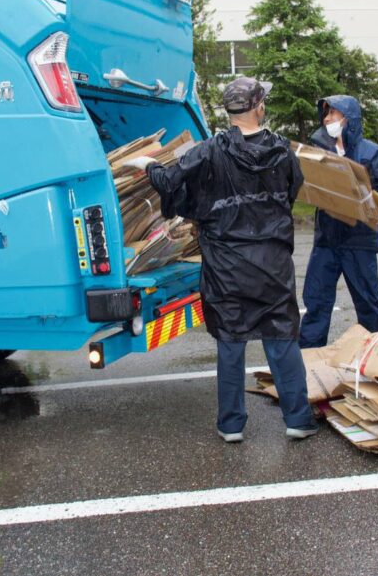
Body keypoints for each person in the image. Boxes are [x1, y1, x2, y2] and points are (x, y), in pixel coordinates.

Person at [124, 76, 317, 443]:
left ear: (229, 112)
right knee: (281, 338)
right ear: (258, 107)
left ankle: (231, 425)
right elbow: (290, 193)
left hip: (226, 267)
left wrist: (149, 165)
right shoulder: (283, 152)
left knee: (231, 342)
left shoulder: (210, 150)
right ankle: (298, 418)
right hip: (272, 264)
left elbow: (169, 184)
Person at [298, 95, 378, 349]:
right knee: (316, 303)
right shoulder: (320, 153)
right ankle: (309, 362)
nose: (327, 119)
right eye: (326, 115)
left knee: (369, 304)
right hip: (326, 241)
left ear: (348, 119)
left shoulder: (372, 152)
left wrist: (377, 207)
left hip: (360, 241)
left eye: (333, 114)